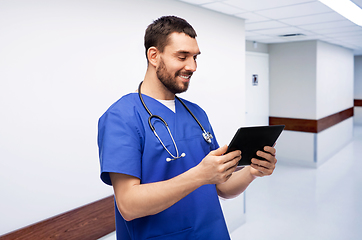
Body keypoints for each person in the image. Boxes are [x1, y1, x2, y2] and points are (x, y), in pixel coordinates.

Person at [97, 16, 277, 240]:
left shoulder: (196, 113)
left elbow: (222, 187)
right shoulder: (121, 117)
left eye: (195, 57)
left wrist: (252, 171)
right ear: (154, 56)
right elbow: (128, 205)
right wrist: (199, 175)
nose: (192, 67)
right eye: (182, 56)